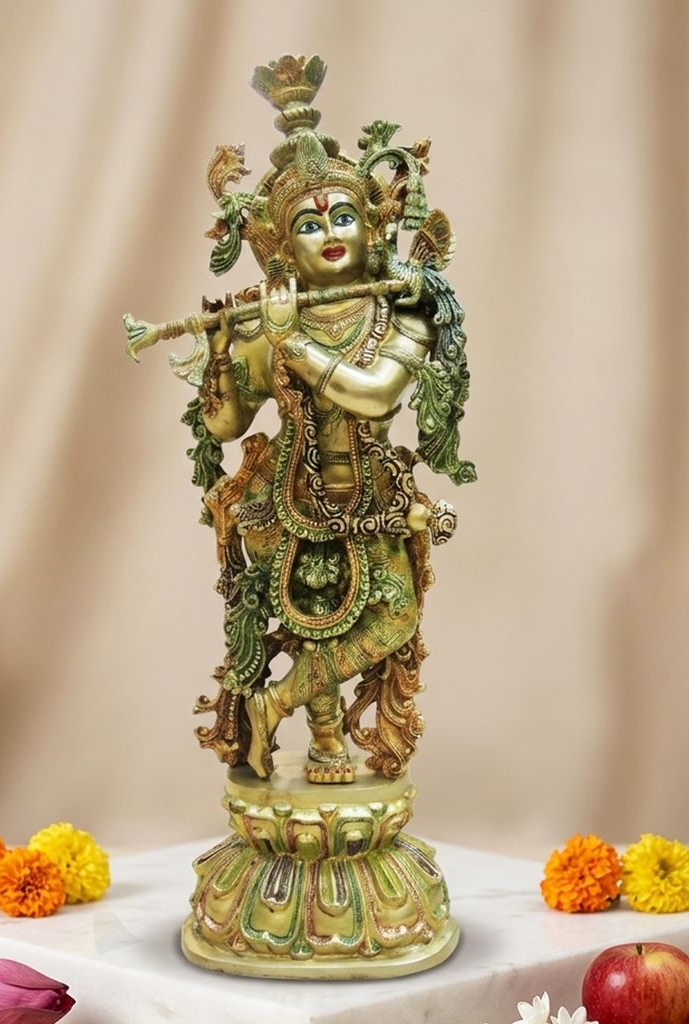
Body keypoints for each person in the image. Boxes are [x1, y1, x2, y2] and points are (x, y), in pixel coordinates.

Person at [184, 55, 474, 785]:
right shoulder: (272, 323)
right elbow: (224, 426)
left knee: (393, 616)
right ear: (285, 250)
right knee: (313, 613)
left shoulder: (397, 314)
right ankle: (324, 743)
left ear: (372, 231)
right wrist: (221, 351)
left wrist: (295, 345)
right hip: (286, 493)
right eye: (309, 225)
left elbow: (375, 395)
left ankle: (275, 702)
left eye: (344, 216)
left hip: (375, 489)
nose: (330, 232)